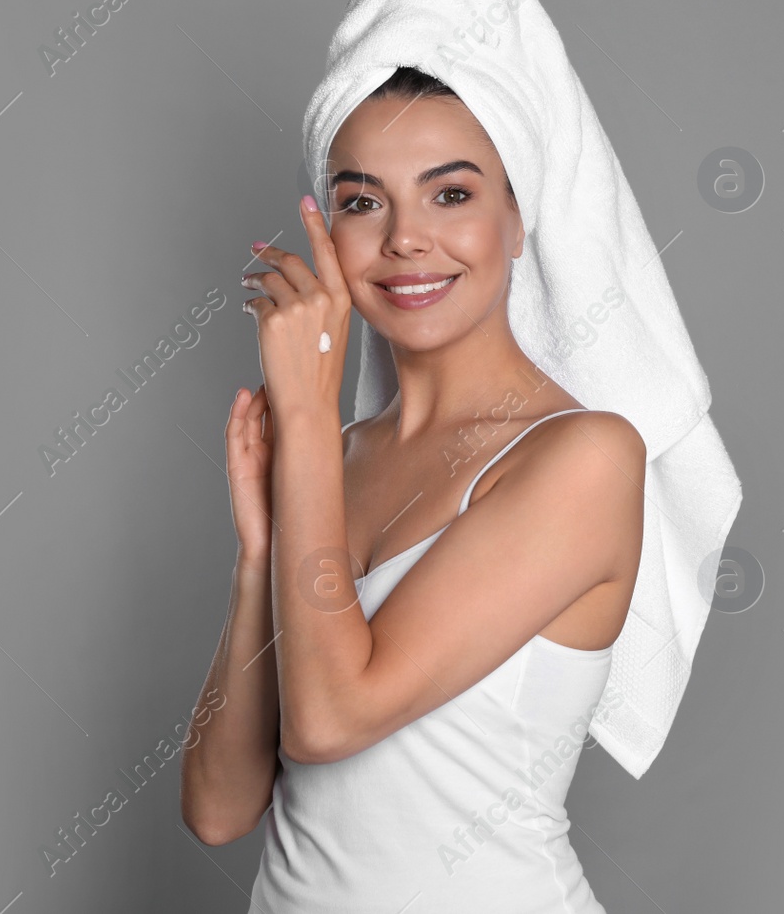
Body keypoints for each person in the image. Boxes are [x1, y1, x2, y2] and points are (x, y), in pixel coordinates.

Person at [179, 61, 645, 912]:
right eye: (362, 201)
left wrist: (309, 423)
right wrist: (259, 556)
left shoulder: (584, 459)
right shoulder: (335, 456)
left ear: (518, 217)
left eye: (452, 194)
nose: (404, 239)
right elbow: (217, 808)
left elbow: (327, 722)